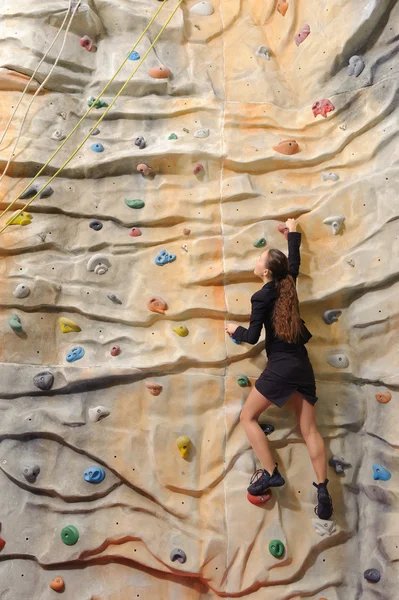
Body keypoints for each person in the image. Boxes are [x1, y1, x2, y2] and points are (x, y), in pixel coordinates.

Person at [225, 218, 333, 520]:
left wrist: (234, 330)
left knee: (248, 417)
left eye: (260, 259)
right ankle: (323, 489)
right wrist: (294, 233)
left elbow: (251, 337)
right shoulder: (288, 285)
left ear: (267, 272)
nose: (256, 262)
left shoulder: (262, 295)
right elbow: (293, 263)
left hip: (282, 368)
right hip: (302, 366)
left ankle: (271, 472)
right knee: (310, 430)